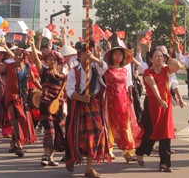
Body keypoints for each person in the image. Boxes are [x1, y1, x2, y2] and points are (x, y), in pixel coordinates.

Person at [0, 44, 39, 157]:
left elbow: (34, 80)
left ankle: (12, 144)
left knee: (21, 120)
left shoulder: (27, 67)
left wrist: (43, 90)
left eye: (20, 55)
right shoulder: (8, 66)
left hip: (23, 97)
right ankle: (19, 146)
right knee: (15, 120)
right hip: (11, 97)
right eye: (16, 55)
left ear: (24, 56)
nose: (18, 56)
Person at [64, 42, 109, 178]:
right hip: (79, 107)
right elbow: (69, 89)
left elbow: (105, 67)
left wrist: (94, 58)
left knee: (96, 133)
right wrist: (80, 97)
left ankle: (88, 168)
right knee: (75, 135)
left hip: (94, 104)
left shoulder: (96, 68)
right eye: (84, 52)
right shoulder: (74, 71)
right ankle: (71, 158)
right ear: (79, 55)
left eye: (88, 52)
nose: (87, 54)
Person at [134, 47, 181, 173]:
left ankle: (165, 164)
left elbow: (178, 66)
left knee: (166, 132)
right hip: (153, 104)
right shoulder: (148, 72)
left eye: (161, 56)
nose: (159, 58)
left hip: (166, 104)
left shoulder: (166, 70)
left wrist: (171, 59)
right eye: (156, 56)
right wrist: (160, 100)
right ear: (150, 59)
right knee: (151, 131)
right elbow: (153, 87)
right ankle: (140, 152)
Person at [29, 35, 66, 167]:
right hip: (45, 105)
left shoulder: (63, 76)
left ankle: (50, 157)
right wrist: (33, 45)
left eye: (53, 60)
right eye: (49, 59)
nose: (51, 61)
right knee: (49, 130)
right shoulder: (44, 72)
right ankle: (44, 156)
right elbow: (37, 60)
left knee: (56, 132)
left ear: (57, 62)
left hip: (59, 107)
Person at [103, 46, 142, 163]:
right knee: (109, 124)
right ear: (111, 56)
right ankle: (108, 150)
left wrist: (130, 94)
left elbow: (128, 82)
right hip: (110, 99)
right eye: (115, 54)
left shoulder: (126, 69)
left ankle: (128, 152)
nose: (118, 56)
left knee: (125, 124)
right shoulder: (106, 69)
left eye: (120, 54)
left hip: (123, 100)